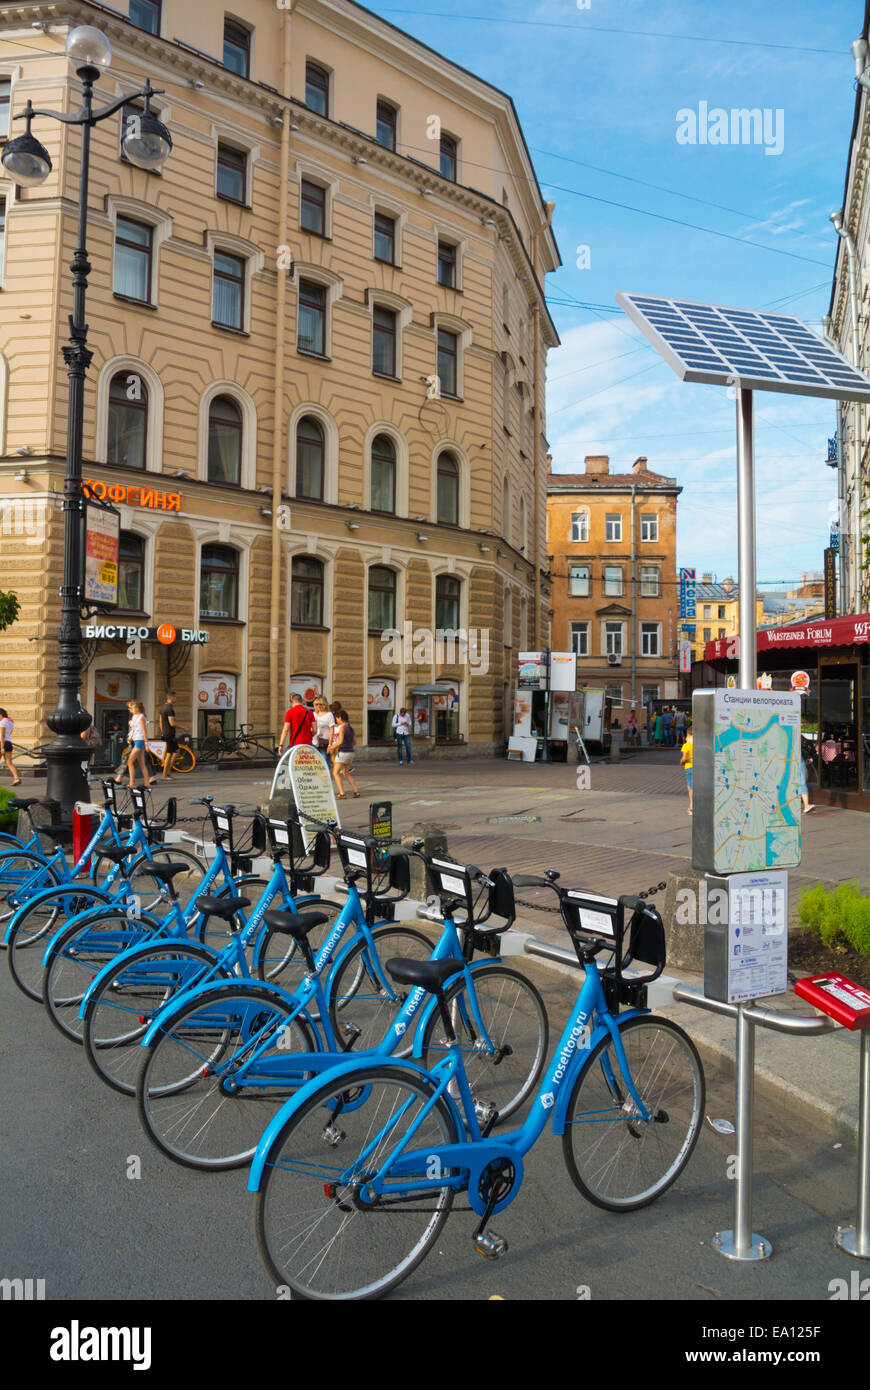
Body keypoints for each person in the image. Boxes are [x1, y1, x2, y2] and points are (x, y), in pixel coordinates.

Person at [116, 700, 154, 788]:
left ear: (136, 708)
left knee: (130, 762)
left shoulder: (141, 717)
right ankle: (147, 783)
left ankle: (132, 783)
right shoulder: (135, 716)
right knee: (141, 763)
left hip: (140, 741)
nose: (129, 709)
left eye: (131, 707)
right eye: (129, 707)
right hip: (136, 740)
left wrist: (147, 744)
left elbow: (144, 731)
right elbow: (134, 729)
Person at [328, 710, 359, 799]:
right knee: (346, 773)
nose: (336, 720)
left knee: (335, 773)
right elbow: (355, 742)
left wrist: (331, 747)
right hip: (351, 753)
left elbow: (340, 741)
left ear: (340, 718)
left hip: (343, 753)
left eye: (337, 718)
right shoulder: (351, 728)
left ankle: (342, 793)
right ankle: (356, 791)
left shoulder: (342, 728)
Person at [159, 690, 185, 781]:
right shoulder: (169, 709)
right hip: (170, 733)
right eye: (175, 697)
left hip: (166, 733)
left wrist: (162, 732)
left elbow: (160, 722)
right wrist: (184, 727)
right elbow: (172, 723)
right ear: (172, 698)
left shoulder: (162, 708)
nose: (176, 699)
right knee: (169, 754)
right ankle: (164, 775)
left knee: (176, 751)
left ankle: (168, 771)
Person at [0, 708, 21, 785]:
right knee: (9, 763)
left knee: (8, 762)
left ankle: (16, 779)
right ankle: (16, 778)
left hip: (2, 743)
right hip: (8, 743)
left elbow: (2, 735)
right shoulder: (10, 722)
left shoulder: (2, 722)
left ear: (1, 715)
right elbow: (9, 734)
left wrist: (2, 747)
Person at [312, 696, 335, 763]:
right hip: (314, 741)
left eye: (320, 704)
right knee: (315, 762)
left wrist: (330, 744)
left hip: (325, 742)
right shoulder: (314, 714)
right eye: (316, 704)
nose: (318, 706)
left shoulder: (329, 715)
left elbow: (332, 730)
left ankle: (328, 773)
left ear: (324, 705)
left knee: (324, 761)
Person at [680, 722, 693, 815]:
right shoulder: (700, 744)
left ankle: (692, 806)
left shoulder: (686, 745)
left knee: (691, 787)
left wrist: (682, 762)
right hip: (699, 769)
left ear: (688, 735)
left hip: (689, 768)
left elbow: (684, 758)